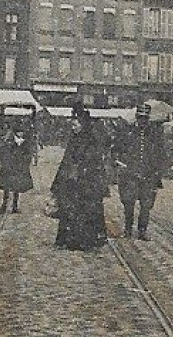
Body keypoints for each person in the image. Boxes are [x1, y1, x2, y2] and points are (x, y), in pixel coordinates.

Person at [52, 105, 109, 251]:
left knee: (86, 211)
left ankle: (85, 240)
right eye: (73, 122)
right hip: (73, 181)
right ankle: (70, 239)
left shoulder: (91, 140)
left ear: (83, 124)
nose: (73, 125)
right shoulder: (74, 139)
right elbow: (66, 161)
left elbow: (94, 162)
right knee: (70, 209)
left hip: (87, 182)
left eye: (76, 122)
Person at [115, 102, 166, 240]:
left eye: (145, 118)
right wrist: (121, 164)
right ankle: (128, 229)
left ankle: (142, 230)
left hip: (148, 174)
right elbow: (118, 150)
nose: (142, 121)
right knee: (129, 203)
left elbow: (161, 153)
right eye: (140, 117)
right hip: (130, 173)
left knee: (146, 205)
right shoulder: (128, 132)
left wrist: (157, 171)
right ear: (136, 118)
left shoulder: (154, 134)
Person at [0, 121, 35, 213]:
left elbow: (28, 155)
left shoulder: (26, 143)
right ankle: (4, 206)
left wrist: (25, 163)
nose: (21, 133)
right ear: (15, 132)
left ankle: (15, 206)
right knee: (6, 188)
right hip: (9, 167)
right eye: (19, 131)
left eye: (22, 132)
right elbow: (4, 154)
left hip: (19, 168)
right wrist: (6, 164)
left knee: (17, 188)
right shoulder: (9, 141)